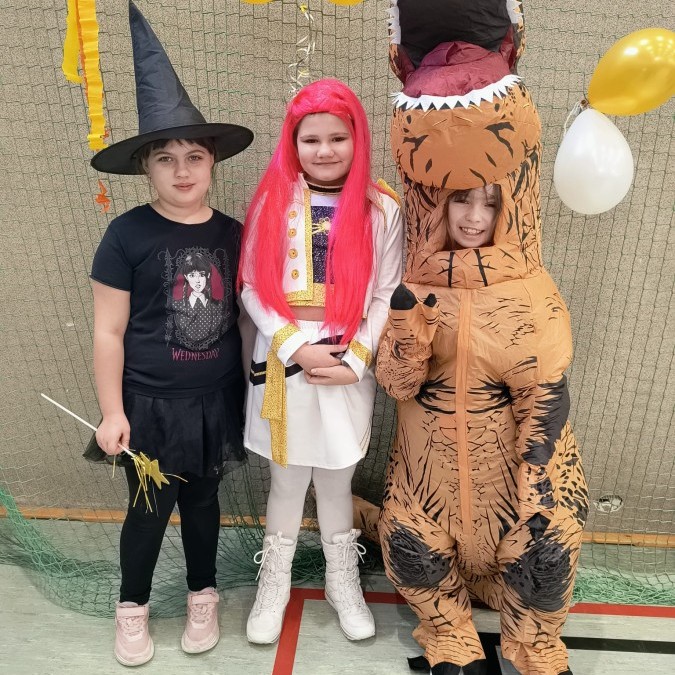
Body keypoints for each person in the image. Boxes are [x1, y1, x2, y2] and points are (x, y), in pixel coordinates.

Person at [375, 3, 588, 674]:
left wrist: (533, 491)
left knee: (547, 546)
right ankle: (447, 630)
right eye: (459, 201)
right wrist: (406, 335)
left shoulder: (527, 292)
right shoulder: (415, 285)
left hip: (513, 503)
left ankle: (534, 641)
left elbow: (544, 397)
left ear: (505, 205)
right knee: (407, 540)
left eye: (487, 202)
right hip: (429, 498)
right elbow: (396, 386)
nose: (471, 216)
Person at [88, 3, 253, 666]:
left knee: (205, 503)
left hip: (214, 400)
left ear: (211, 162)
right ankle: (131, 608)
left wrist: (255, 388)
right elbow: (108, 330)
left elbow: (247, 318)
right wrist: (112, 412)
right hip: (149, 406)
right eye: (165, 158)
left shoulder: (233, 234)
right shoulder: (125, 234)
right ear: (145, 168)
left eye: (194, 156)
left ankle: (202, 595)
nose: (182, 170)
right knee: (149, 508)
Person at [239, 78, 403, 645]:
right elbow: (251, 287)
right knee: (286, 483)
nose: (325, 150)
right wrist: (294, 345)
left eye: (337, 137)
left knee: (337, 480)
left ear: (358, 138)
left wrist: (357, 358)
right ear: (293, 142)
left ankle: (342, 582)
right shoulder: (273, 201)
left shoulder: (382, 208)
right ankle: (274, 585)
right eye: (311, 139)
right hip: (286, 359)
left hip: (346, 359)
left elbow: (386, 292)